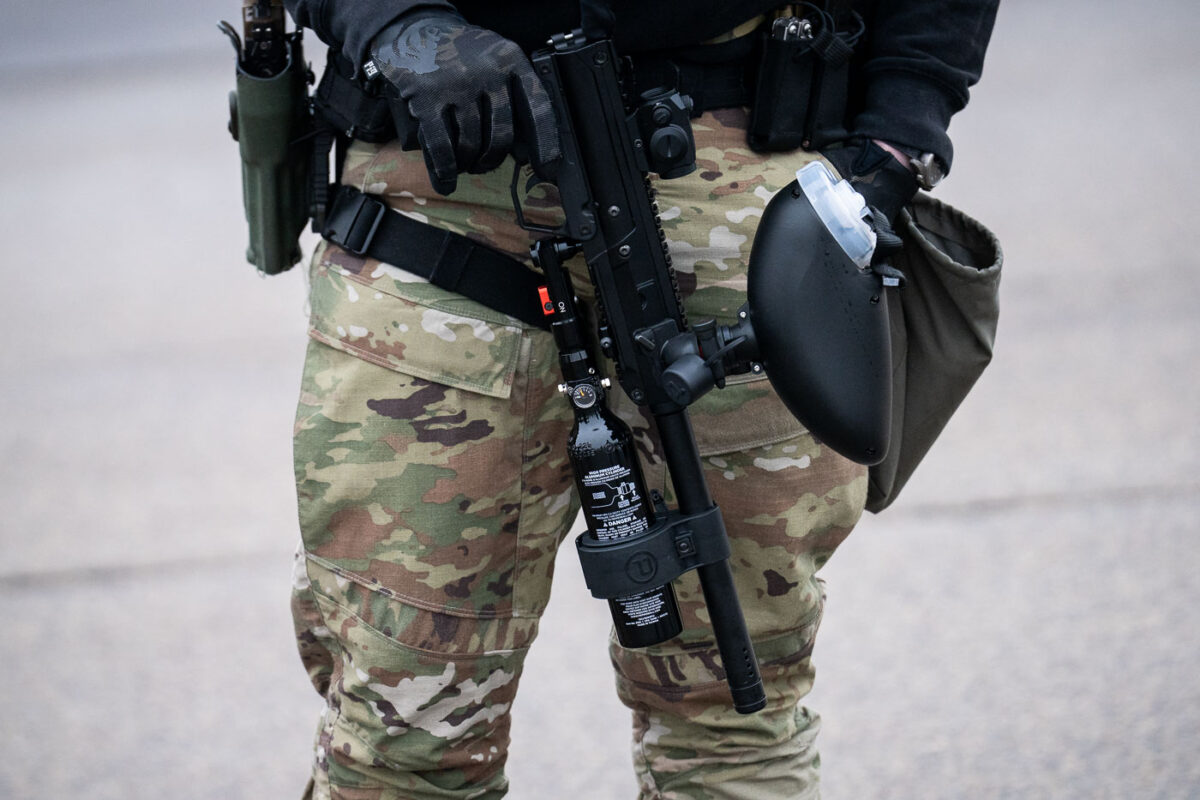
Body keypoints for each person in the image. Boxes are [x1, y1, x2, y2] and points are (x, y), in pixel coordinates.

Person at [280, 2, 998, 798]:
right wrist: (391, 18)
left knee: (736, 721)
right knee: (403, 729)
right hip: (444, 175)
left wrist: (901, 132)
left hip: (734, 175)